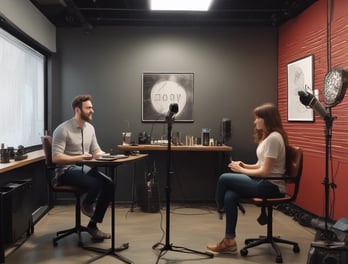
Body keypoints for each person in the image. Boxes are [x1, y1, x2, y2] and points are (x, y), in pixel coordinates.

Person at [207, 102, 288, 254]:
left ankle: (220, 208)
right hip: (264, 182)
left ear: (267, 119)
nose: (254, 121)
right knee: (230, 195)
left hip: (271, 186)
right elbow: (259, 165)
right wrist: (243, 165)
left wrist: (241, 171)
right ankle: (229, 242)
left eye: (257, 118)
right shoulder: (268, 137)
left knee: (224, 178)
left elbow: (264, 172)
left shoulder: (273, 139)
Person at [52, 94, 113, 241]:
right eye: (88, 108)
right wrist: (79, 158)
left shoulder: (90, 128)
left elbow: (96, 151)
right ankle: (87, 204)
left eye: (92, 107)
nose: (92, 110)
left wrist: (109, 156)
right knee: (96, 183)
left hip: (83, 169)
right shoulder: (62, 129)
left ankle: (92, 225)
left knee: (109, 183)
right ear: (78, 110)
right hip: (65, 171)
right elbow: (56, 158)